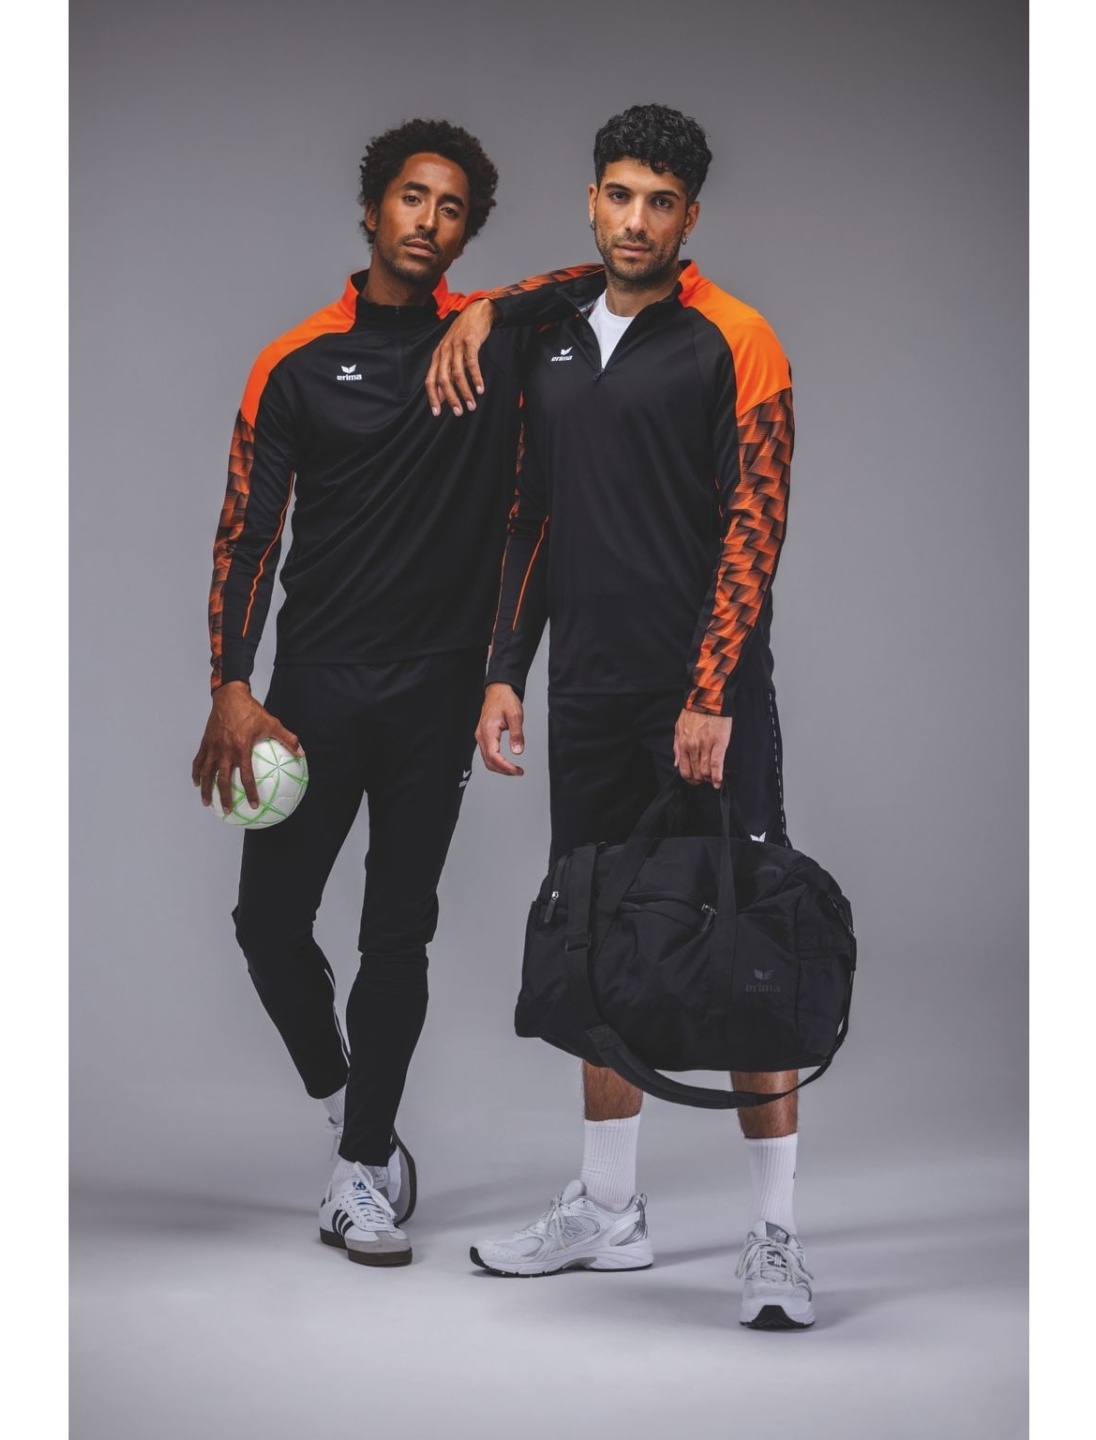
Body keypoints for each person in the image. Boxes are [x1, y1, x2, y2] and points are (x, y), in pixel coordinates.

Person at [428, 103, 813, 1328]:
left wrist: (711, 692)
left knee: (744, 942)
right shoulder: (550, 334)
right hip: (587, 694)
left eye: (659, 202)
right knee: (597, 937)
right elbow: (530, 515)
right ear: (591, 199)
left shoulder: (735, 338)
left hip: (704, 699)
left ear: (690, 215)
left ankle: (774, 1238)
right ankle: (608, 1213)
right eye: (618, 195)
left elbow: (755, 528)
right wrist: (505, 668)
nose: (635, 220)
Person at [191, 118, 590, 1268]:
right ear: (372, 209)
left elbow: (628, 273)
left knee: (395, 934)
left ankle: (362, 1170)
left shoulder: (493, 348)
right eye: (413, 198)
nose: (429, 221)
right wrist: (230, 683)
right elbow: (247, 534)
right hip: (311, 691)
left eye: (453, 208)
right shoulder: (296, 361)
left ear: (467, 233)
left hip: (435, 691)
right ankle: (344, 1102)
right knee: (268, 924)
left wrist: (490, 309)